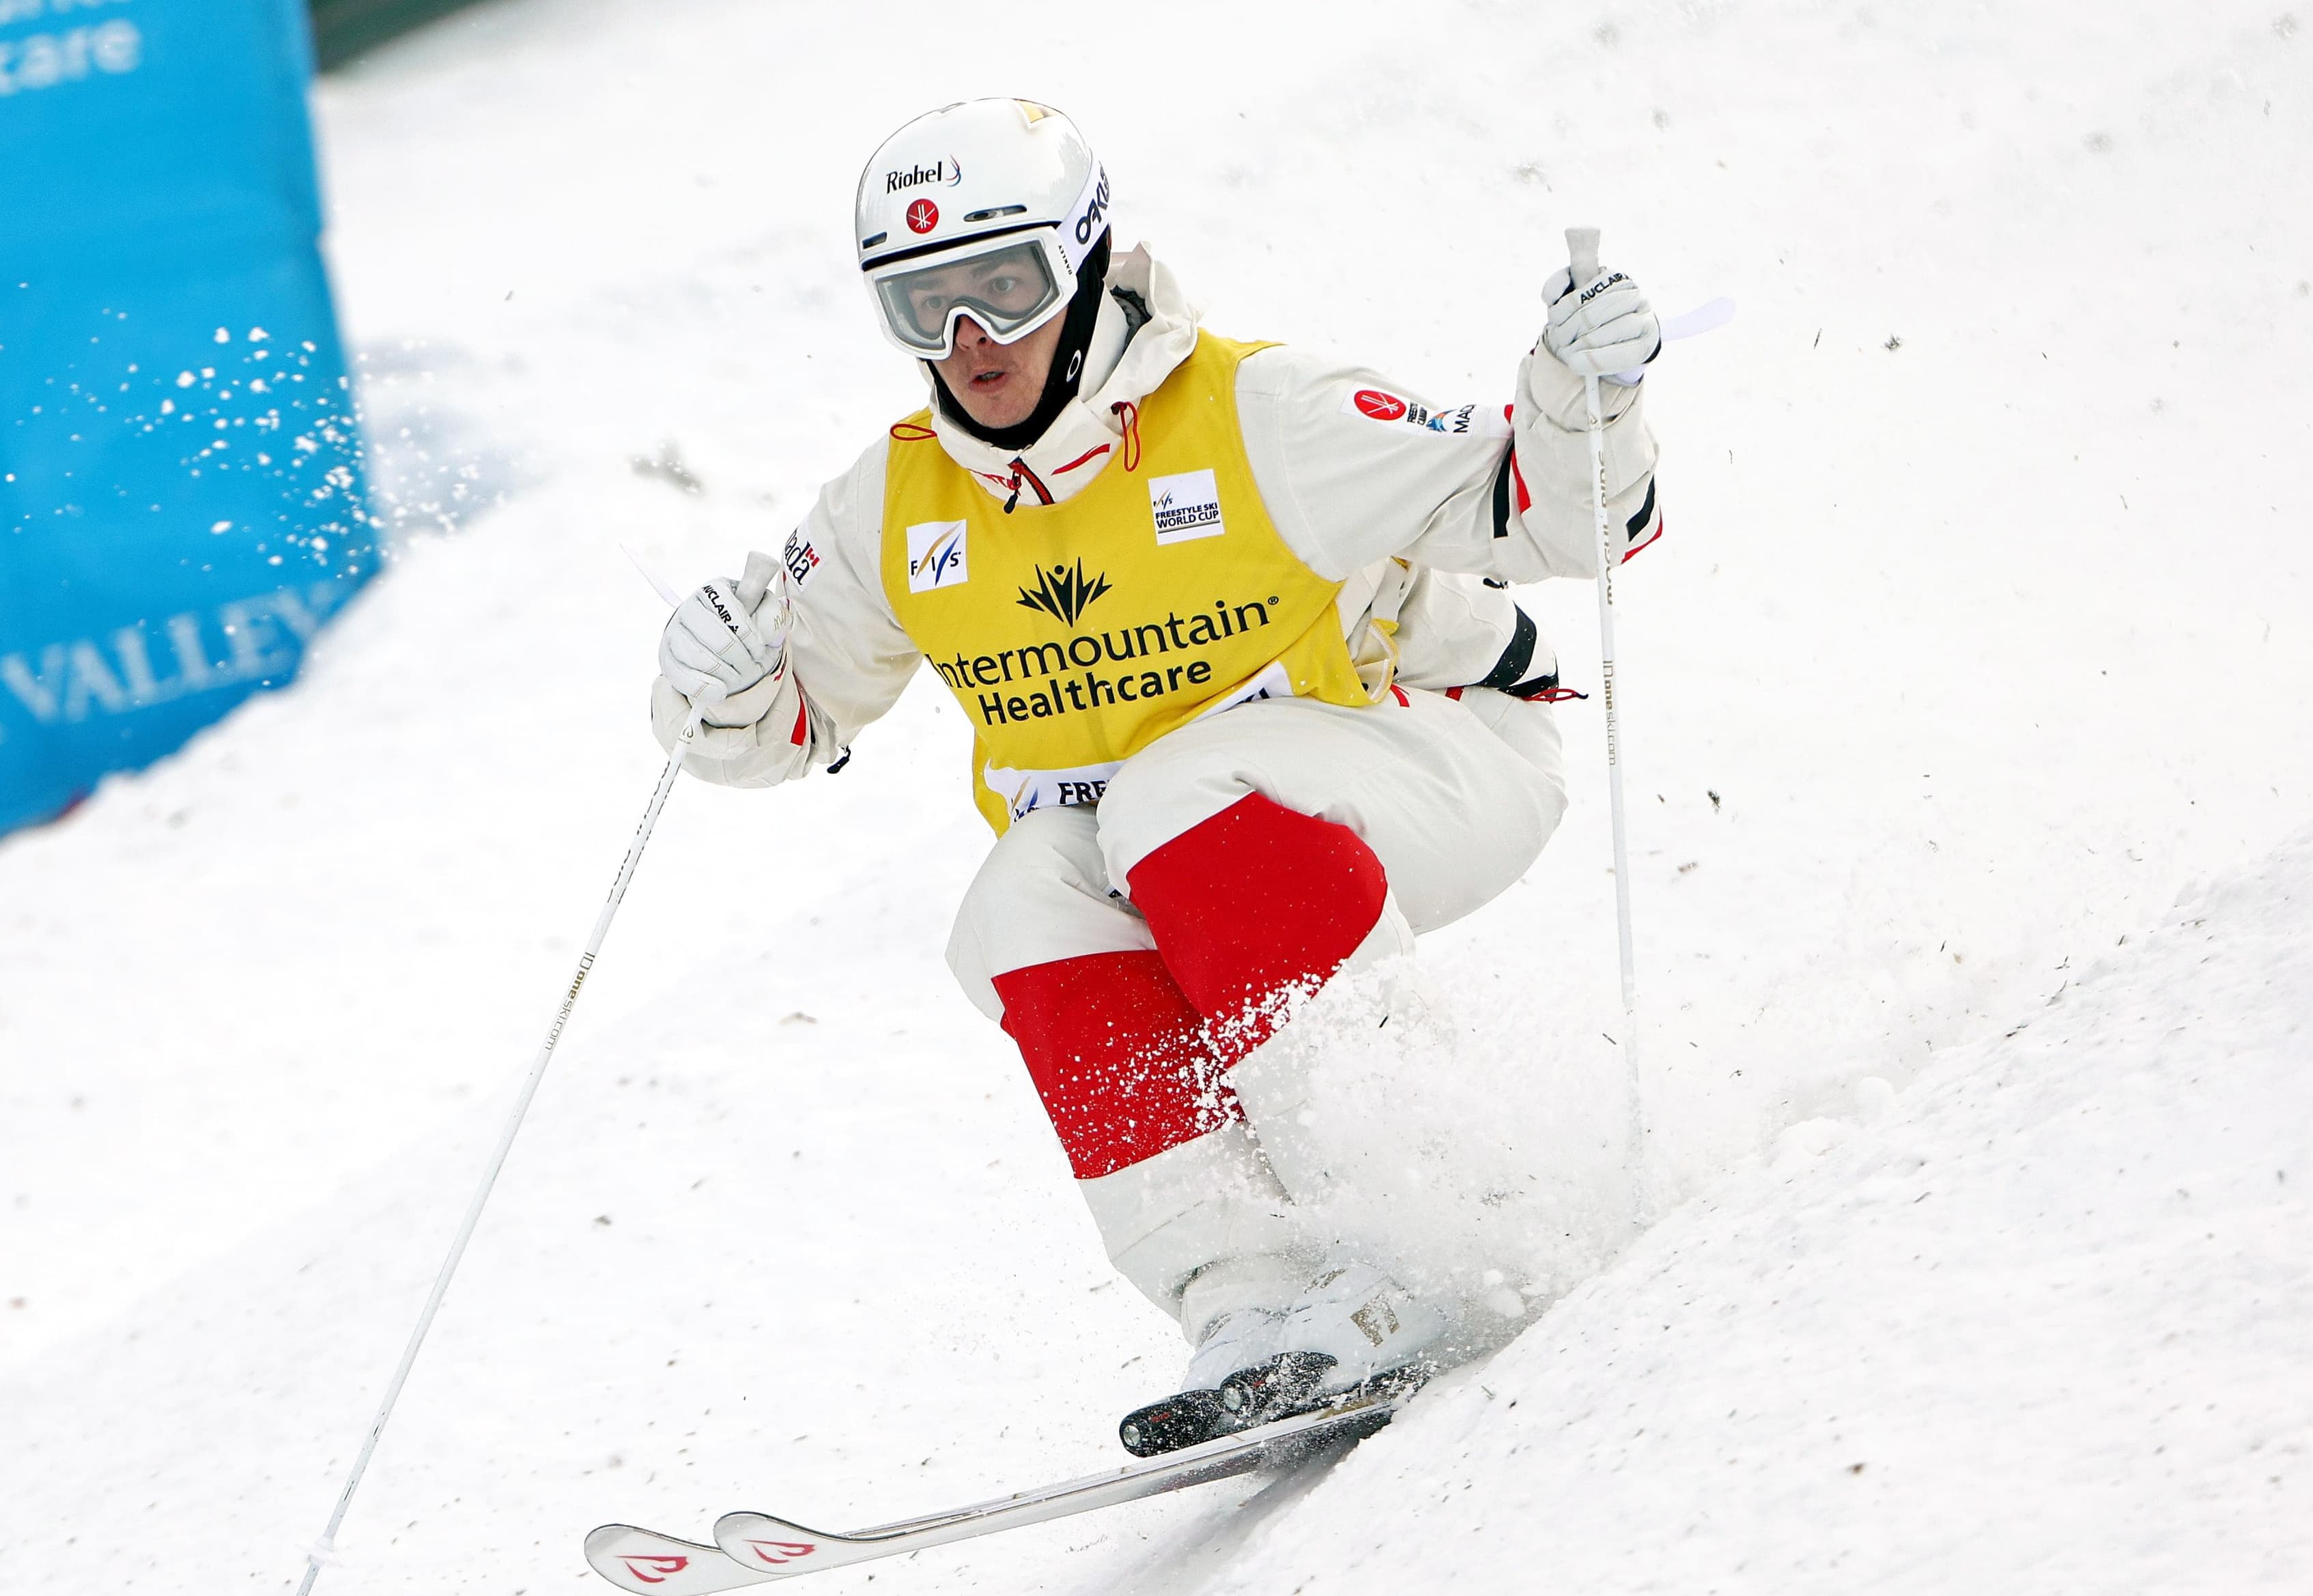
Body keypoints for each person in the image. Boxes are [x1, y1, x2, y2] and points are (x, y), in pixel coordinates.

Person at [649, 98, 1663, 1454]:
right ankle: (1256, 1295)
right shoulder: (896, 504)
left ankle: (1437, 1211)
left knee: (1172, 796)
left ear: (1078, 262)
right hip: (1181, 839)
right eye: (922, 306)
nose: (970, 344)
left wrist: (1583, 391)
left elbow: (1557, 512)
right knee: (1019, 901)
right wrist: (709, 685)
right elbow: (776, 725)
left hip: (1436, 748)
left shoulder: (1256, 412)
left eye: (1002, 290)